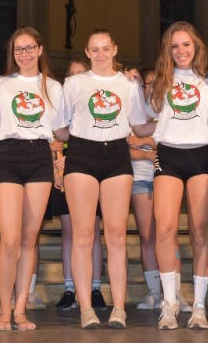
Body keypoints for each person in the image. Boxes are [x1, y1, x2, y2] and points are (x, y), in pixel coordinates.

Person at [58, 29, 154, 329]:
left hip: (116, 155)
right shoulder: (74, 83)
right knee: (83, 235)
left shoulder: (128, 84)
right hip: (82, 154)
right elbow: (59, 128)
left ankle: (119, 308)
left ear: (115, 49)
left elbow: (140, 127)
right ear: (88, 53)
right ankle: (86, 308)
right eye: (94, 49)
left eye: (105, 48)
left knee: (116, 235)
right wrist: (80, 141)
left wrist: (172, 116)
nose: (100, 54)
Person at [0, 27, 65, 330]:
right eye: (19, 49)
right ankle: (4, 311)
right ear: (13, 53)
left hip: (39, 155)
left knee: (29, 239)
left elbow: (60, 130)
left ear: (40, 49)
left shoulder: (54, 87)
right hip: (8, 154)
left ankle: (20, 310)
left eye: (30, 47)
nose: (24, 54)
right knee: (9, 239)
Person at [149, 22, 208, 330]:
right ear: (168, 50)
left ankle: (199, 306)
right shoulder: (157, 82)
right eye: (175, 45)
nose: (181, 51)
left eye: (186, 44)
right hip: (169, 155)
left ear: (196, 46)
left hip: (201, 155)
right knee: (164, 230)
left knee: (200, 232)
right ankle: (169, 303)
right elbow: (142, 121)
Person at [52, 59, 107, 311]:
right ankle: (69, 288)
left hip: (91, 172)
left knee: (92, 230)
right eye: (71, 74)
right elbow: (53, 137)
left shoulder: (95, 104)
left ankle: (95, 288)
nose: (75, 78)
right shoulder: (61, 105)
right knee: (69, 232)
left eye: (80, 73)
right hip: (65, 174)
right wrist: (57, 166)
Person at [127, 68, 162, 310]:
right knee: (148, 236)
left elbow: (168, 142)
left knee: (167, 235)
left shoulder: (167, 110)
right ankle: (154, 291)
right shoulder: (133, 111)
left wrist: (144, 141)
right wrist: (147, 150)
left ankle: (172, 292)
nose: (150, 88)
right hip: (140, 178)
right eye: (146, 84)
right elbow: (125, 145)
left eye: (155, 83)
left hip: (164, 177)